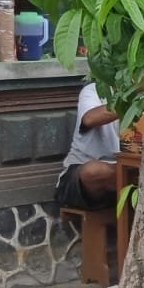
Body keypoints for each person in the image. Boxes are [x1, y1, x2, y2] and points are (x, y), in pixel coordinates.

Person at [55, 79, 120, 209]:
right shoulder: (94, 89)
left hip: (130, 172)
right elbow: (89, 119)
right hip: (81, 179)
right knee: (94, 171)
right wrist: (135, 100)